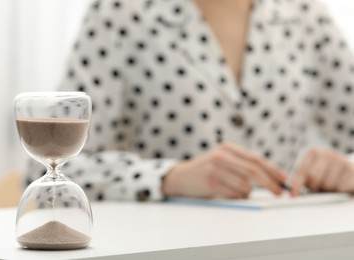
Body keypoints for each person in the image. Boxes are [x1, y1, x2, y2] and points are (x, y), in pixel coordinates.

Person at [26, 0, 354, 201]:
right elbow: (48, 165)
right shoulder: (121, 13)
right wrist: (171, 177)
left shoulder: (308, 16)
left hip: (285, 245)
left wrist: (346, 169)